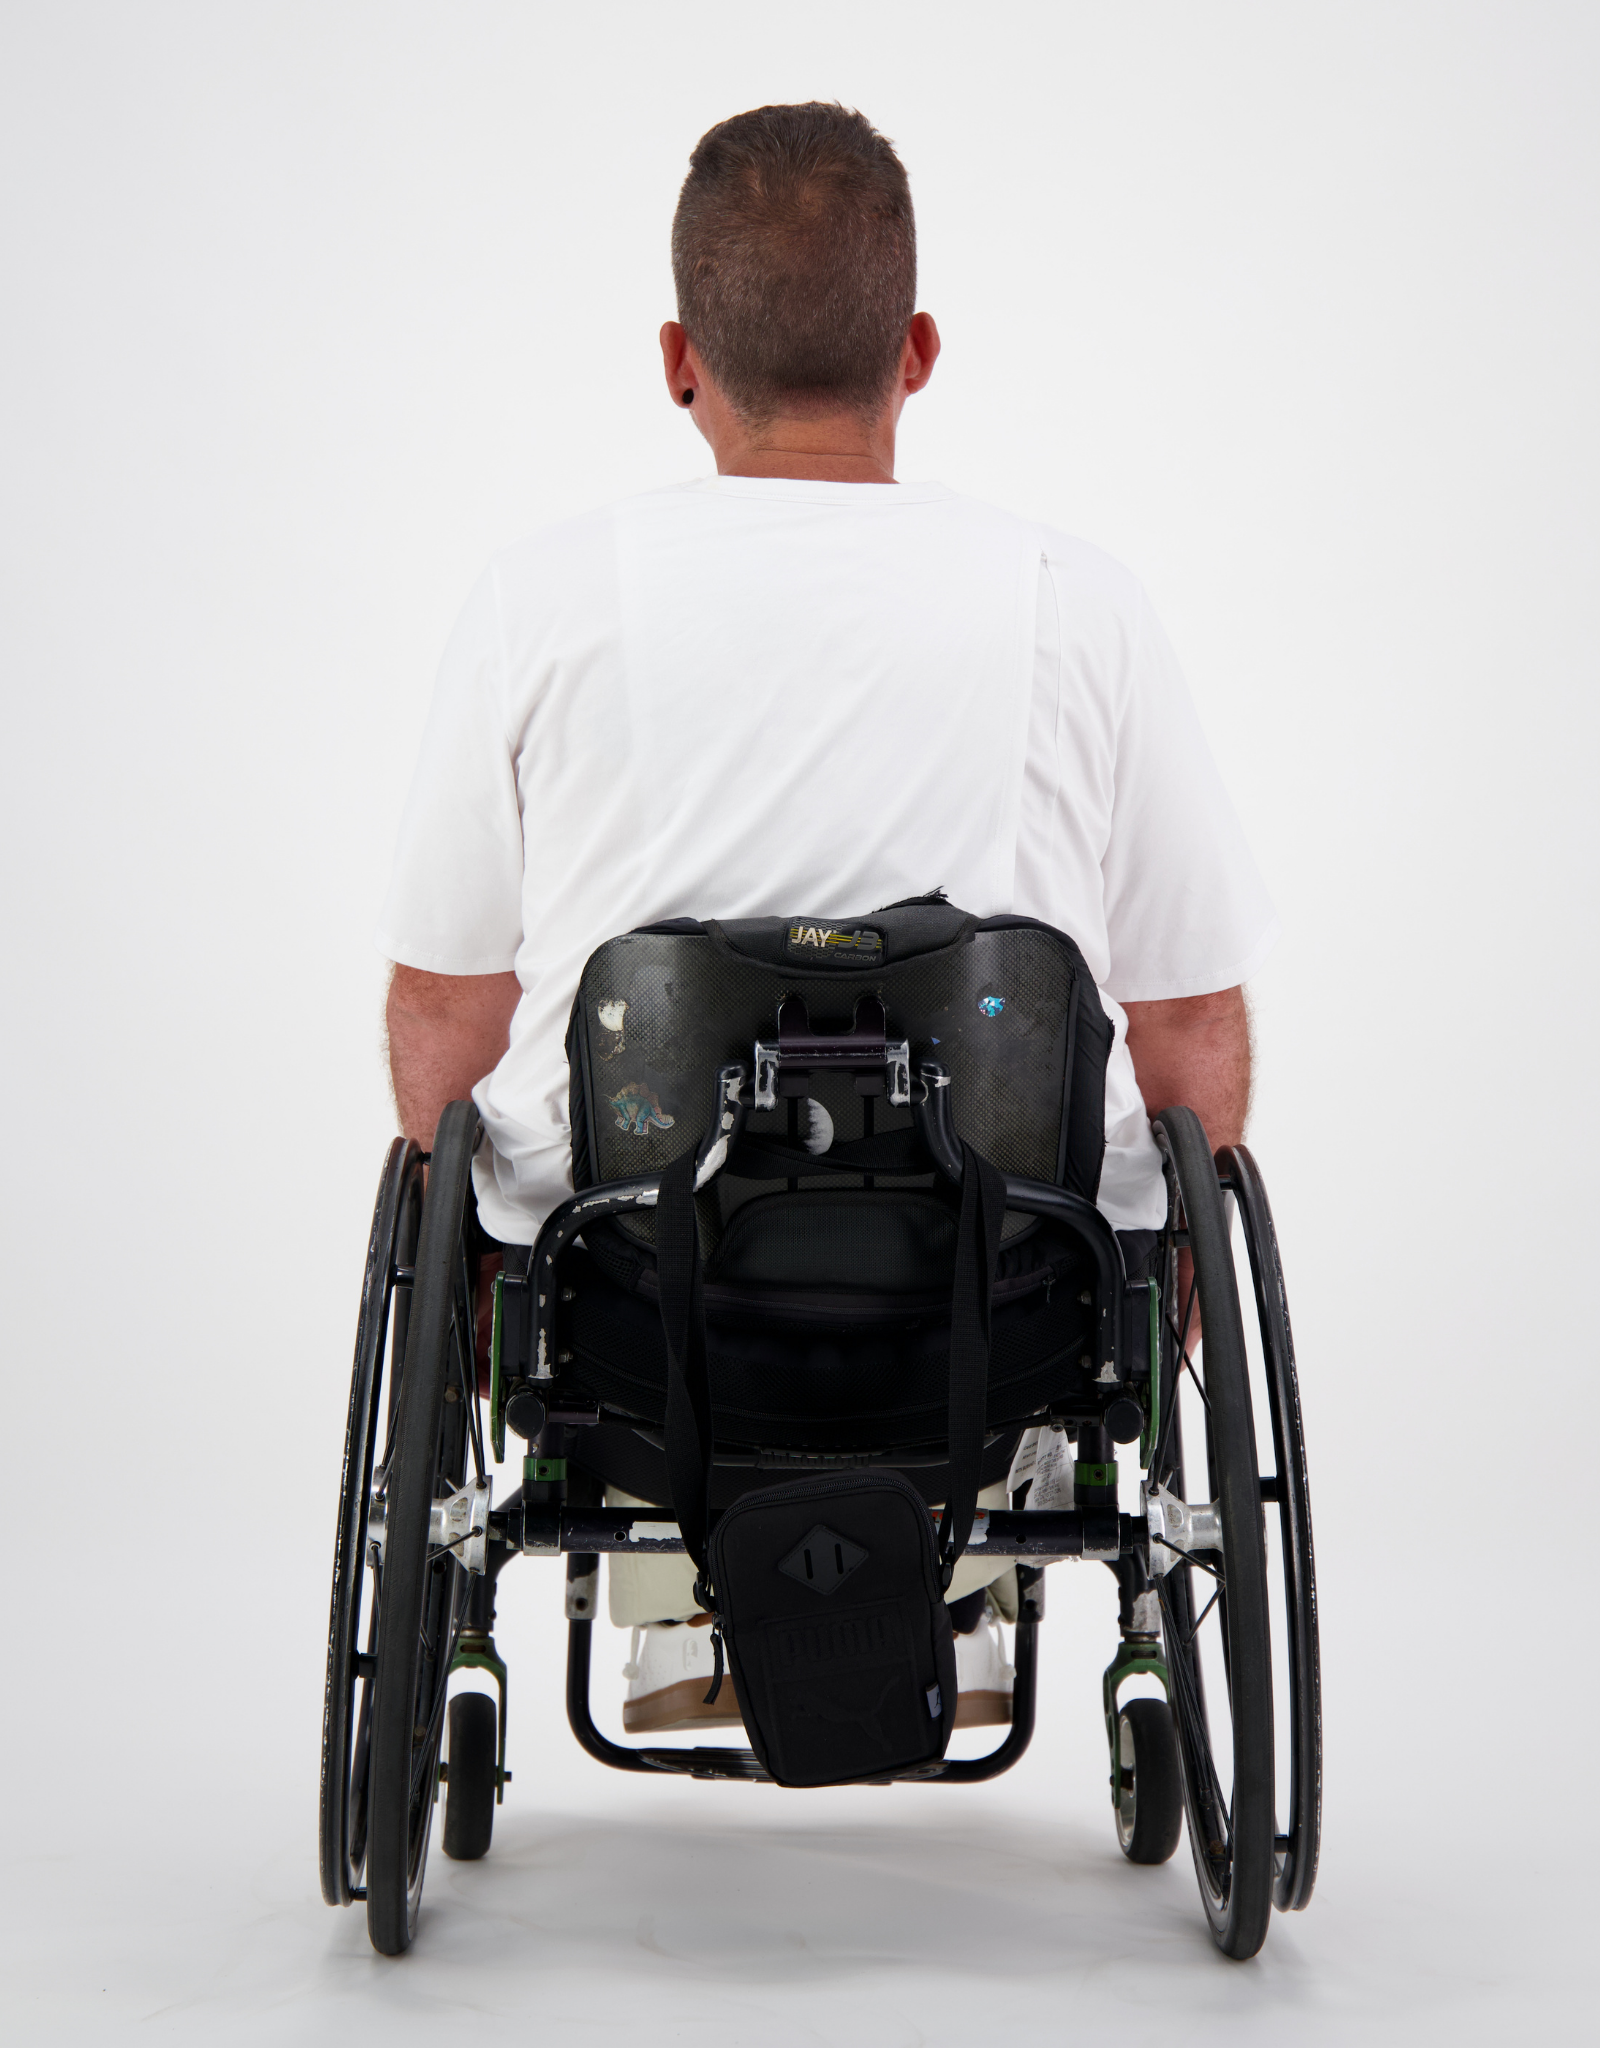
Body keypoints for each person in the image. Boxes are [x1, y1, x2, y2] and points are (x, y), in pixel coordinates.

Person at [376, 102, 1276, 1733]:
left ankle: (686, 1601)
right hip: (1010, 1315)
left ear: (677, 356)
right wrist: (1166, 1316)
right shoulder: (1081, 604)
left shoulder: (541, 601)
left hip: (631, 1317)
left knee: (532, 1137)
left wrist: (469, 1319)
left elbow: (444, 1009)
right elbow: (1193, 1028)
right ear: (917, 349)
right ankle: (962, 1566)